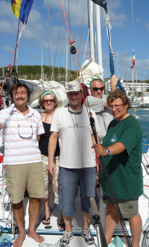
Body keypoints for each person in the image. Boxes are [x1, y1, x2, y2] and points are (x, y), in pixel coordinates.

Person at [0, 83, 45, 247]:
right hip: (14, 163)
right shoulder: (6, 113)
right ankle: (21, 232)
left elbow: (38, 138)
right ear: (12, 96)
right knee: (16, 199)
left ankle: (32, 229)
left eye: (23, 93)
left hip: (34, 161)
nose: (20, 95)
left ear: (28, 95)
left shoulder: (35, 114)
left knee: (36, 197)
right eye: (16, 93)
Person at [48, 79, 99, 247]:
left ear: (82, 94)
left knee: (88, 198)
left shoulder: (90, 113)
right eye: (70, 94)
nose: (74, 96)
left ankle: (86, 228)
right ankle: (68, 230)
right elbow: (53, 137)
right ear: (67, 96)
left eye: (76, 93)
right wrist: (50, 161)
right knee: (66, 199)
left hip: (88, 165)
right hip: (67, 166)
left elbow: (95, 137)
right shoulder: (59, 113)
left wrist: (97, 159)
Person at [92, 89, 143, 247]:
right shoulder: (113, 123)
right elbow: (108, 141)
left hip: (125, 180)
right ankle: (106, 241)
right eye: (111, 106)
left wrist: (106, 151)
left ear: (126, 106)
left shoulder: (132, 124)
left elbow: (121, 145)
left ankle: (135, 244)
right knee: (111, 209)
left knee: (131, 213)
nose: (114, 109)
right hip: (110, 178)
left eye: (117, 105)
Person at [37, 91, 64, 229]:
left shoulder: (60, 116)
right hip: (42, 156)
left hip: (58, 156)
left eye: (51, 100)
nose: (49, 102)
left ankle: (62, 214)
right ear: (42, 102)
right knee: (44, 186)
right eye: (46, 100)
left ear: (55, 101)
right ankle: (47, 210)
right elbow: (37, 139)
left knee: (58, 185)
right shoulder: (39, 117)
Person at [86, 75, 118, 141]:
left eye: (101, 89)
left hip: (110, 139)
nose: (99, 91)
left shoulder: (106, 97)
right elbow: (113, 100)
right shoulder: (88, 100)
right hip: (96, 141)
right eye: (96, 89)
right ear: (91, 90)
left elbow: (117, 100)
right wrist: (113, 85)